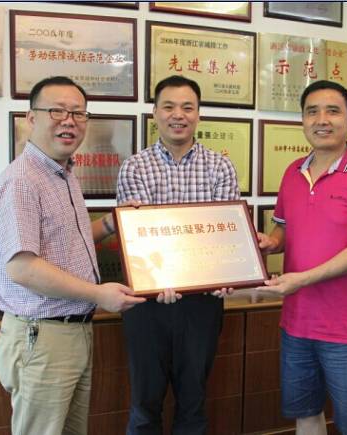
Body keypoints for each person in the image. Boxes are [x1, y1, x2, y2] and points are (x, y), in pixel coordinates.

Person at [0, 76, 145, 435]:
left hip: (69, 333)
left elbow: (68, 241)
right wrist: (98, 294)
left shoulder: (63, 174)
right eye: (57, 111)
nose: (69, 121)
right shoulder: (22, 181)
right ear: (31, 118)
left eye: (78, 113)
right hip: (43, 336)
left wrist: (111, 223)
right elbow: (22, 267)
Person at [257, 80, 347, 435]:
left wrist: (301, 279)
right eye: (312, 112)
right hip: (296, 323)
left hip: (346, 328)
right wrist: (269, 243)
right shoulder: (293, 172)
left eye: (333, 111)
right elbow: (283, 230)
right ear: (303, 120)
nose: (322, 120)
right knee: (305, 414)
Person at [116, 75, 239, 435]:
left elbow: (225, 235)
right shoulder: (135, 167)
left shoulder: (220, 167)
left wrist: (226, 274)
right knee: (145, 403)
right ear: (155, 113)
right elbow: (139, 238)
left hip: (202, 302)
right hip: (146, 302)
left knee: (193, 400)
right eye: (168, 106)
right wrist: (161, 280)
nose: (178, 115)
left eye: (188, 107)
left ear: (199, 114)